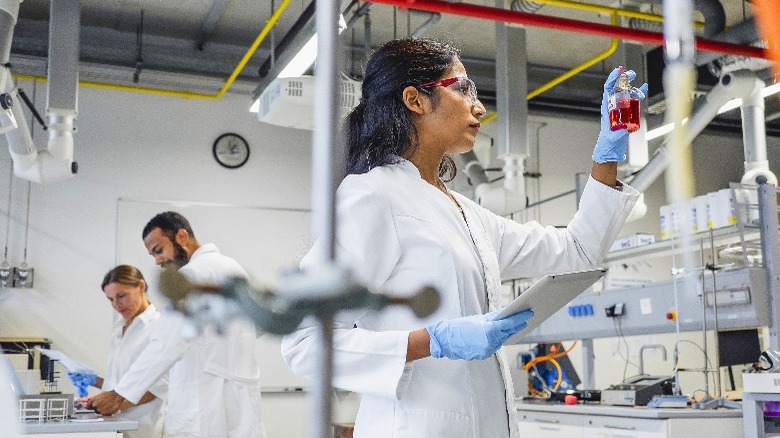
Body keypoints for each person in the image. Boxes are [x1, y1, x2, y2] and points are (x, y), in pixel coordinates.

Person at [281, 38, 644, 438]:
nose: (479, 106)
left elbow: (577, 251)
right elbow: (304, 341)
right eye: (462, 88)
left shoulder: (466, 213)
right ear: (415, 100)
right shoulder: (372, 196)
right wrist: (432, 341)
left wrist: (607, 152)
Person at [91, 212, 266, 438]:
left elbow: (166, 343)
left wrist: (119, 394)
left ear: (181, 236)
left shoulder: (191, 275)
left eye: (159, 250)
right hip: (241, 399)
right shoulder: (233, 268)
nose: (158, 260)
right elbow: (259, 324)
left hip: (201, 403)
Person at [68, 265, 166, 437]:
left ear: (141, 286)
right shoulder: (119, 328)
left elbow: (157, 387)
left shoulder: (159, 327)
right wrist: (96, 382)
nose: (117, 304)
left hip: (144, 428)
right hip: (116, 427)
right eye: (111, 299)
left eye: (121, 296)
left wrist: (112, 403)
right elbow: (124, 380)